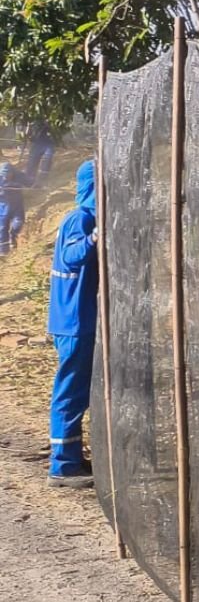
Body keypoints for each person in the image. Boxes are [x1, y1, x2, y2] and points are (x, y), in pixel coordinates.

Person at [46, 160, 99, 488]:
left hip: (79, 320)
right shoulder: (80, 219)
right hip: (74, 322)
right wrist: (95, 236)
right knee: (70, 392)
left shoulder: (86, 217)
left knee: (78, 391)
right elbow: (73, 255)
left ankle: (71, 456)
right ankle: (63, 466)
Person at [0, 162, 23, 255]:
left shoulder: (19, 176)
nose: (6, 176)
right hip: (2, 208)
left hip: (17, 207)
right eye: (4, 174)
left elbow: (29, 182)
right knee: (2, 228)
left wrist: (38, 186)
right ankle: (3, 250)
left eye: (8, 174)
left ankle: (13, 236)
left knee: (18, 224)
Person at [24, 119, 54, 185]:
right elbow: (28, 135)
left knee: (46, 162)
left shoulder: (50, 119)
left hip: (47, 144)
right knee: (32, 164)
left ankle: (42, 182)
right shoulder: (31, 120)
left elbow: (54, 132)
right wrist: (29, 128)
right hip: (36, 144)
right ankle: (29, 182)